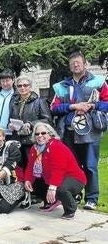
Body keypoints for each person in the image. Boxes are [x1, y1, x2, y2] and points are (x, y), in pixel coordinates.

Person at [50, 51, 108, 211]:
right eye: (72, 63)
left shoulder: (98, 81)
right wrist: (72, 106)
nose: (75, 65)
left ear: (85, 64)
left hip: (91, 132)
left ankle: (92, 198)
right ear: (70, 66)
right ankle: (74, 195)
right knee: (72, 167)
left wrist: (92, 106)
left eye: (78, 62)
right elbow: (53, 108)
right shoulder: (61, 86)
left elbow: (107, 102)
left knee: (90, 166)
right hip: (69, 132)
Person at [23, 123, 87, 220]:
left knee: (61, 189)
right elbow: (30, 166)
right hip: (54, 177)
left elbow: (58, 169)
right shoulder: (34, 149)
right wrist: (28, 180)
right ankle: (52, 200)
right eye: (37, 134)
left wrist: (52, 188)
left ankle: (70, 209)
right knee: (33, 184)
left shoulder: (56, 146)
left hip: (74, 178)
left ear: (50, 134)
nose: (40, 136)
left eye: (43, 133)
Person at [8, 76, 52, 168]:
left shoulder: (39, 101)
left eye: (25, 85)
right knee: (19, 167)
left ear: (30, 87)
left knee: (35, 167)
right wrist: (11, 125)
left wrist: (31, 124)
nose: (22, 88)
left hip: (32, 141)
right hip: (18, 140)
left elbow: (48, 121)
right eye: (19, 86)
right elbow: (11, 118)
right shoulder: (14, 103)